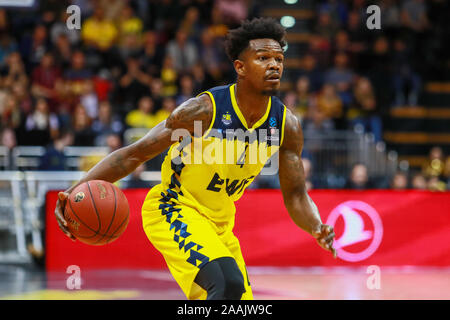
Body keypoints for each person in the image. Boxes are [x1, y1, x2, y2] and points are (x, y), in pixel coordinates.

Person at [54, 18, 336, 300]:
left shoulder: (286, 126)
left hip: (221, 224)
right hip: (174, 208)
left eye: (279, 58)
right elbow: (134, 154)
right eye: (262, 58)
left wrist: (316, 225)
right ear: (240, 67)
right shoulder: (201, 111)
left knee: (238, 302)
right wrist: (72, 191)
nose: (274, 65)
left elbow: (297, 195)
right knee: (227, 288)